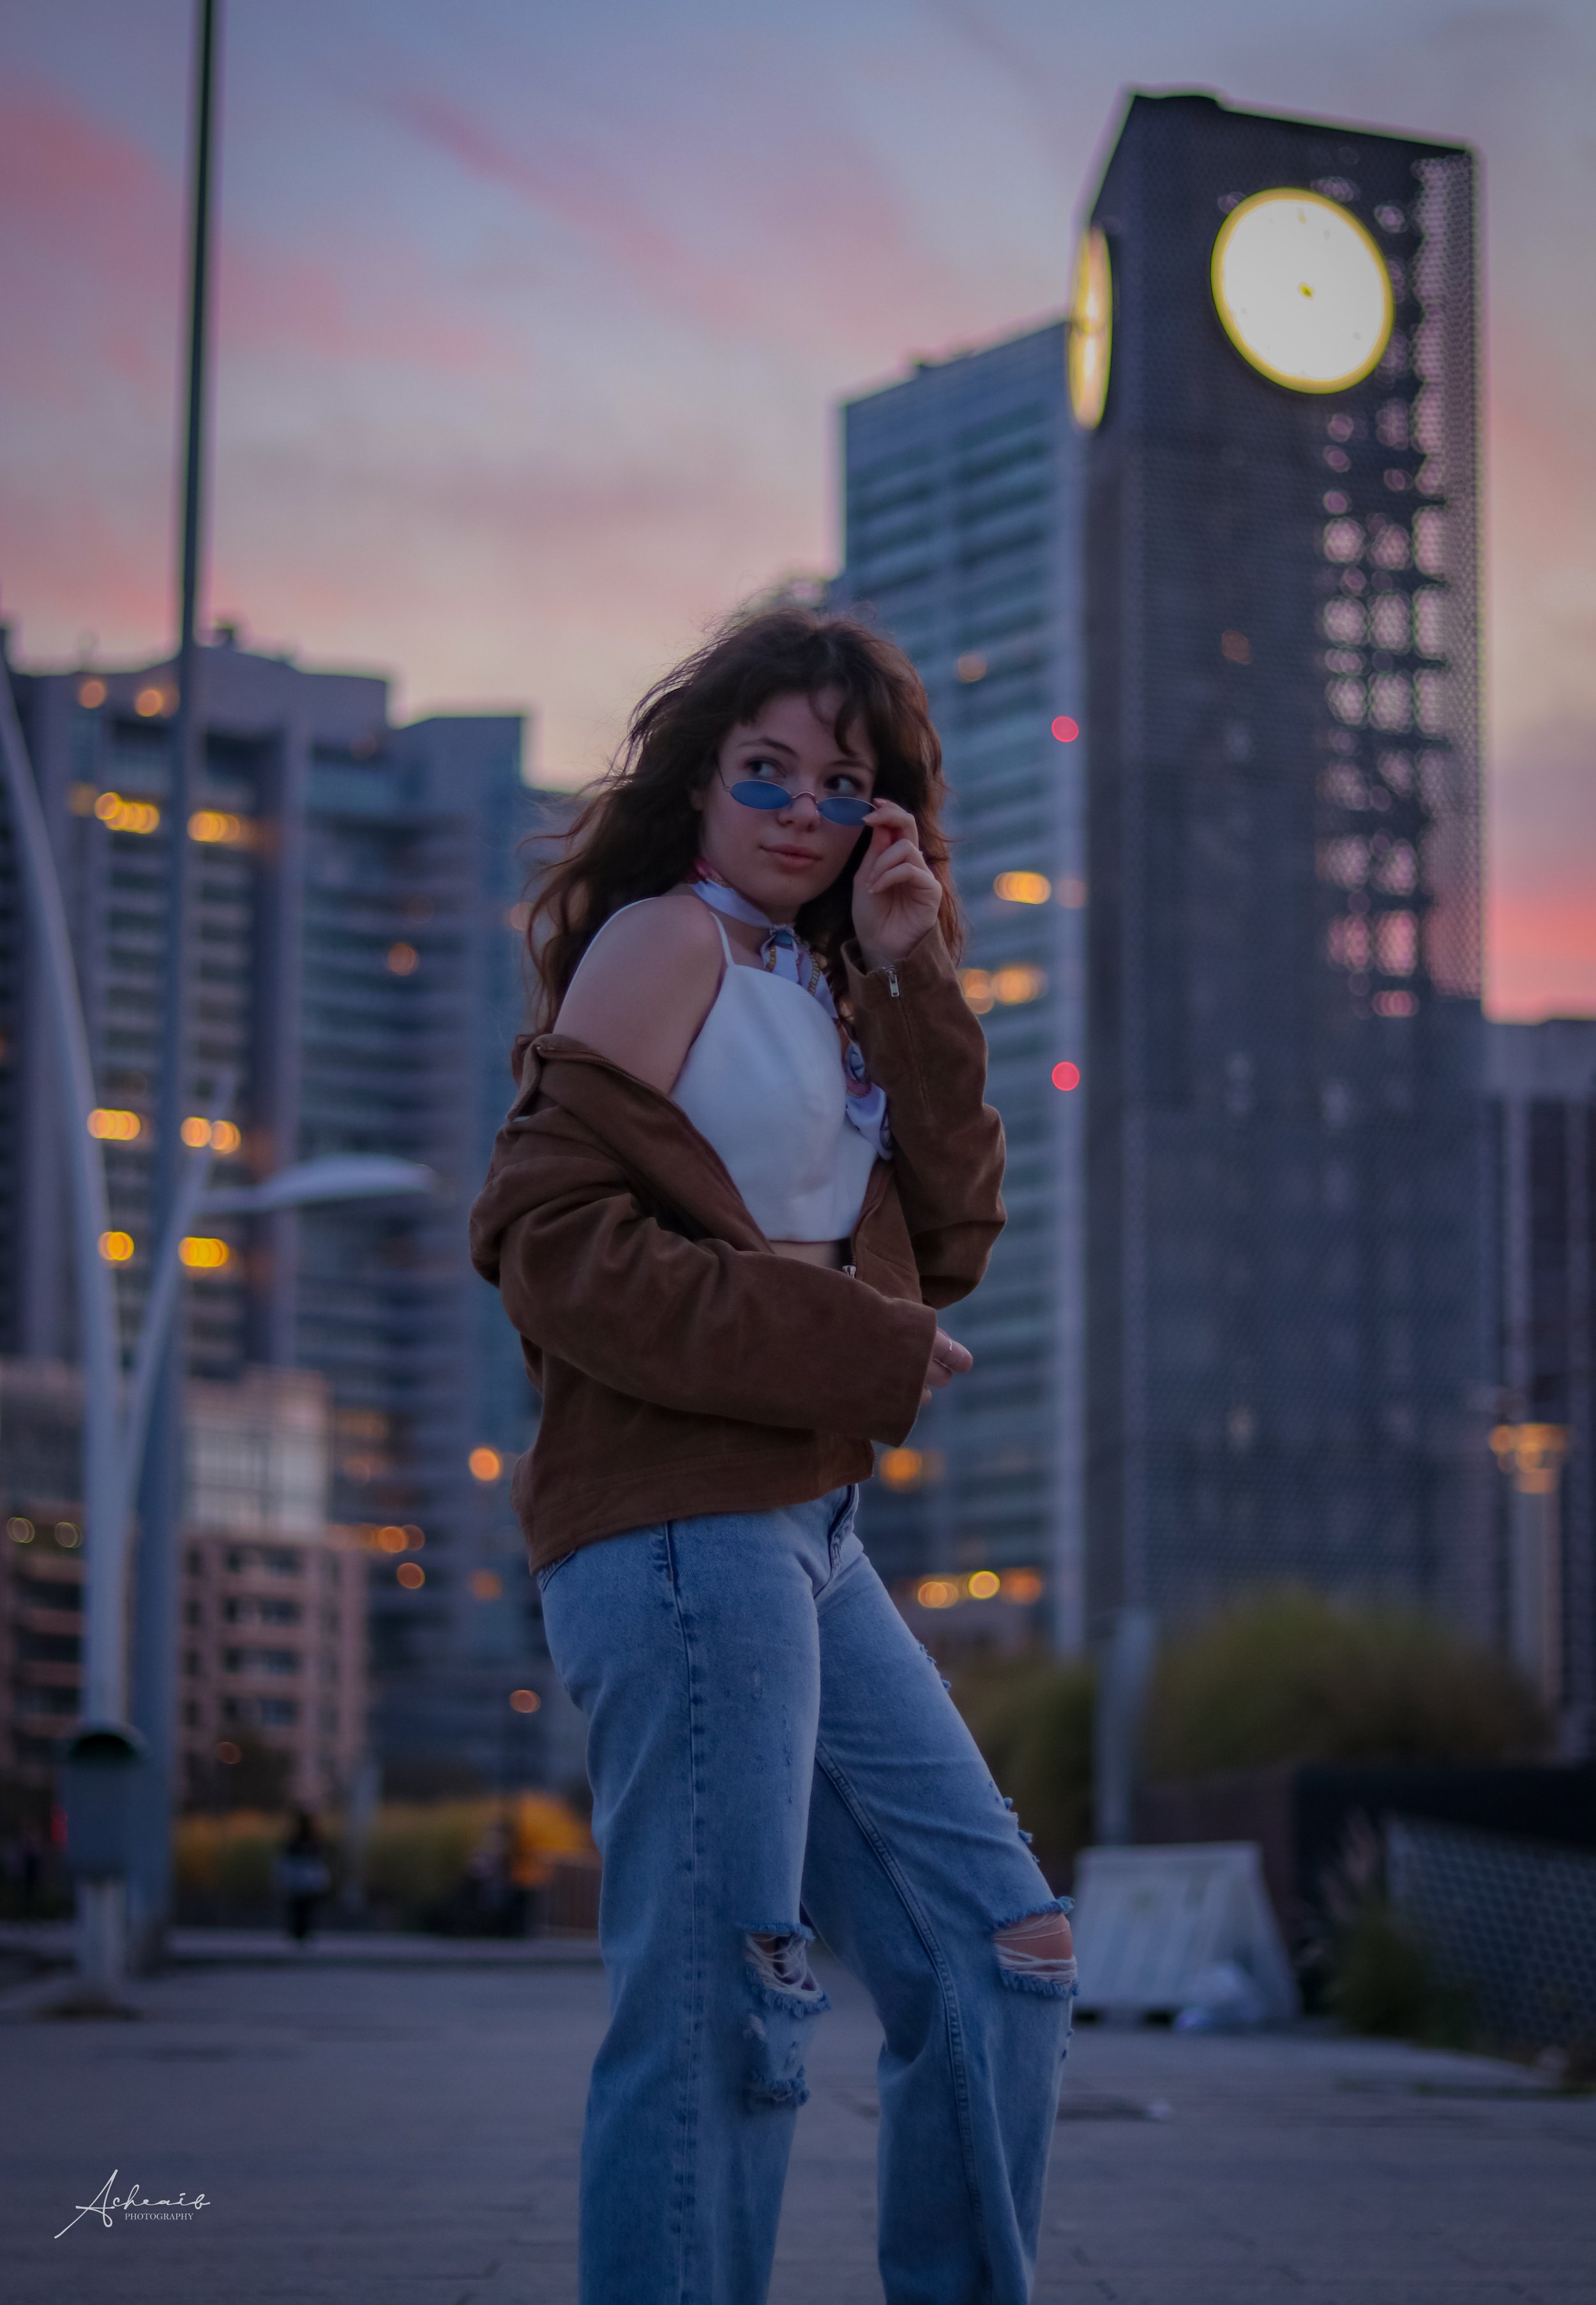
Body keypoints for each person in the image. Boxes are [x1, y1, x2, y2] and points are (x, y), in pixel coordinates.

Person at [470, 607, 1075, 2305]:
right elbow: (545, 1237)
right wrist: (848, 1342)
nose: (802, 810)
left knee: (998, 1944)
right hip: (674, 1528)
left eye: (843, 784)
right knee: (722, 2000)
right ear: (703, 780)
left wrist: (912, 966)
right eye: (766, 772)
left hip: (806, 1526)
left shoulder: (826, 979)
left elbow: (947, 1236)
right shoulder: (667, 942)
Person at [276, 1810, 330, 1945]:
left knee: (301, 1909)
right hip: (303, 1880)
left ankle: (300, 1933)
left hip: (301, 1880)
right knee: (302, 1909)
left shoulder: (302, 1842)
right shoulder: (309, 1842)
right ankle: (300, 1933)